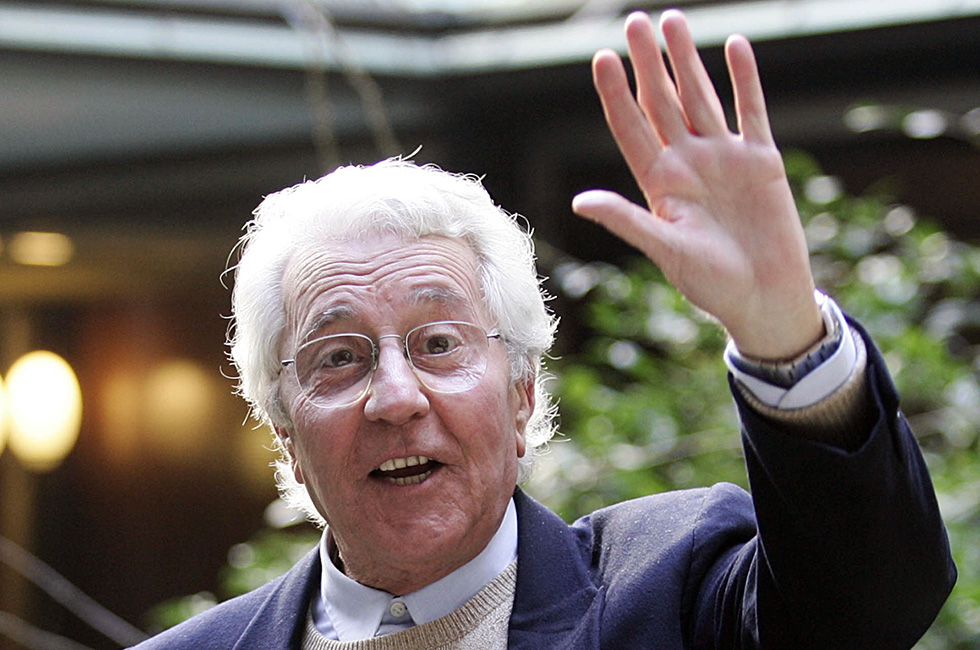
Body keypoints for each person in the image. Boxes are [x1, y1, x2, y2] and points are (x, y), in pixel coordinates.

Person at [132, 9, 955, 650]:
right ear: (284, 432)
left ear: (523, 393)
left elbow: (868, 606)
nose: (396, 397)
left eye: (439, 343)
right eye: (339, 358)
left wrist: (785, 333)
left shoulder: (672, 591)